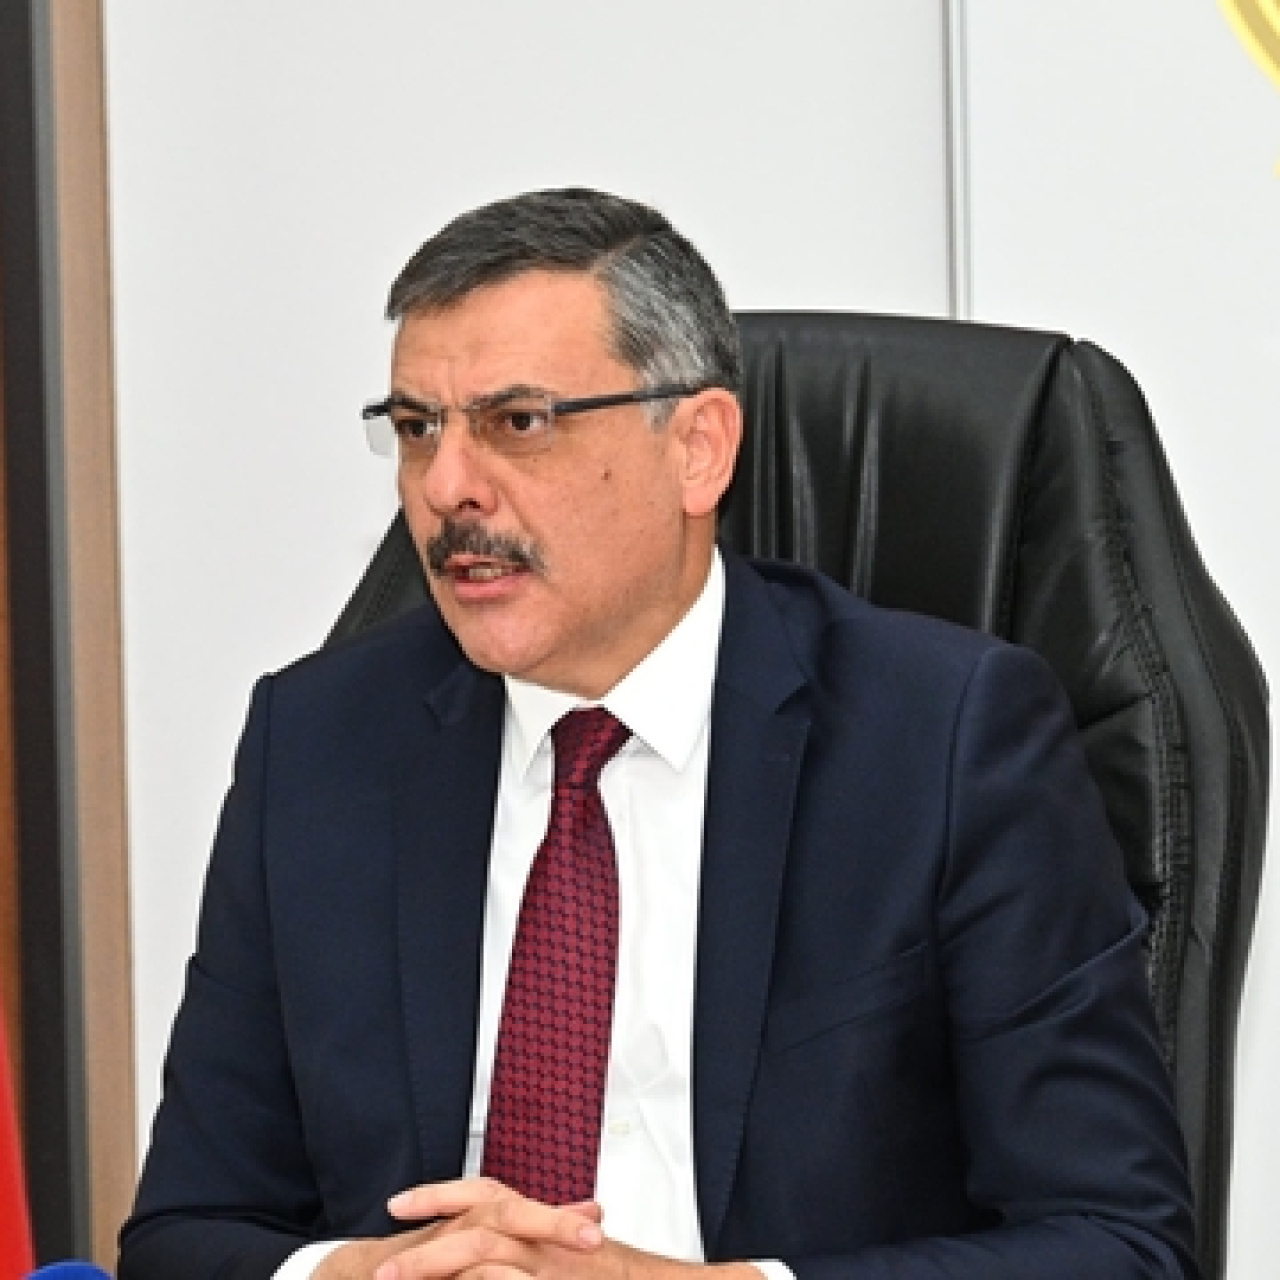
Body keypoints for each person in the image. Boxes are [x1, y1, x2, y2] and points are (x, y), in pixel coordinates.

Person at [118, 189, 1197, 1280]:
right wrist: (360, 1274)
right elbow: (185, 1234)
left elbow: (1117, 1244)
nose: (446, 488)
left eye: (517, 422)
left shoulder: (945, 741)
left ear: (697, 449)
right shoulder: (318, 745)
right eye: (416, 428)